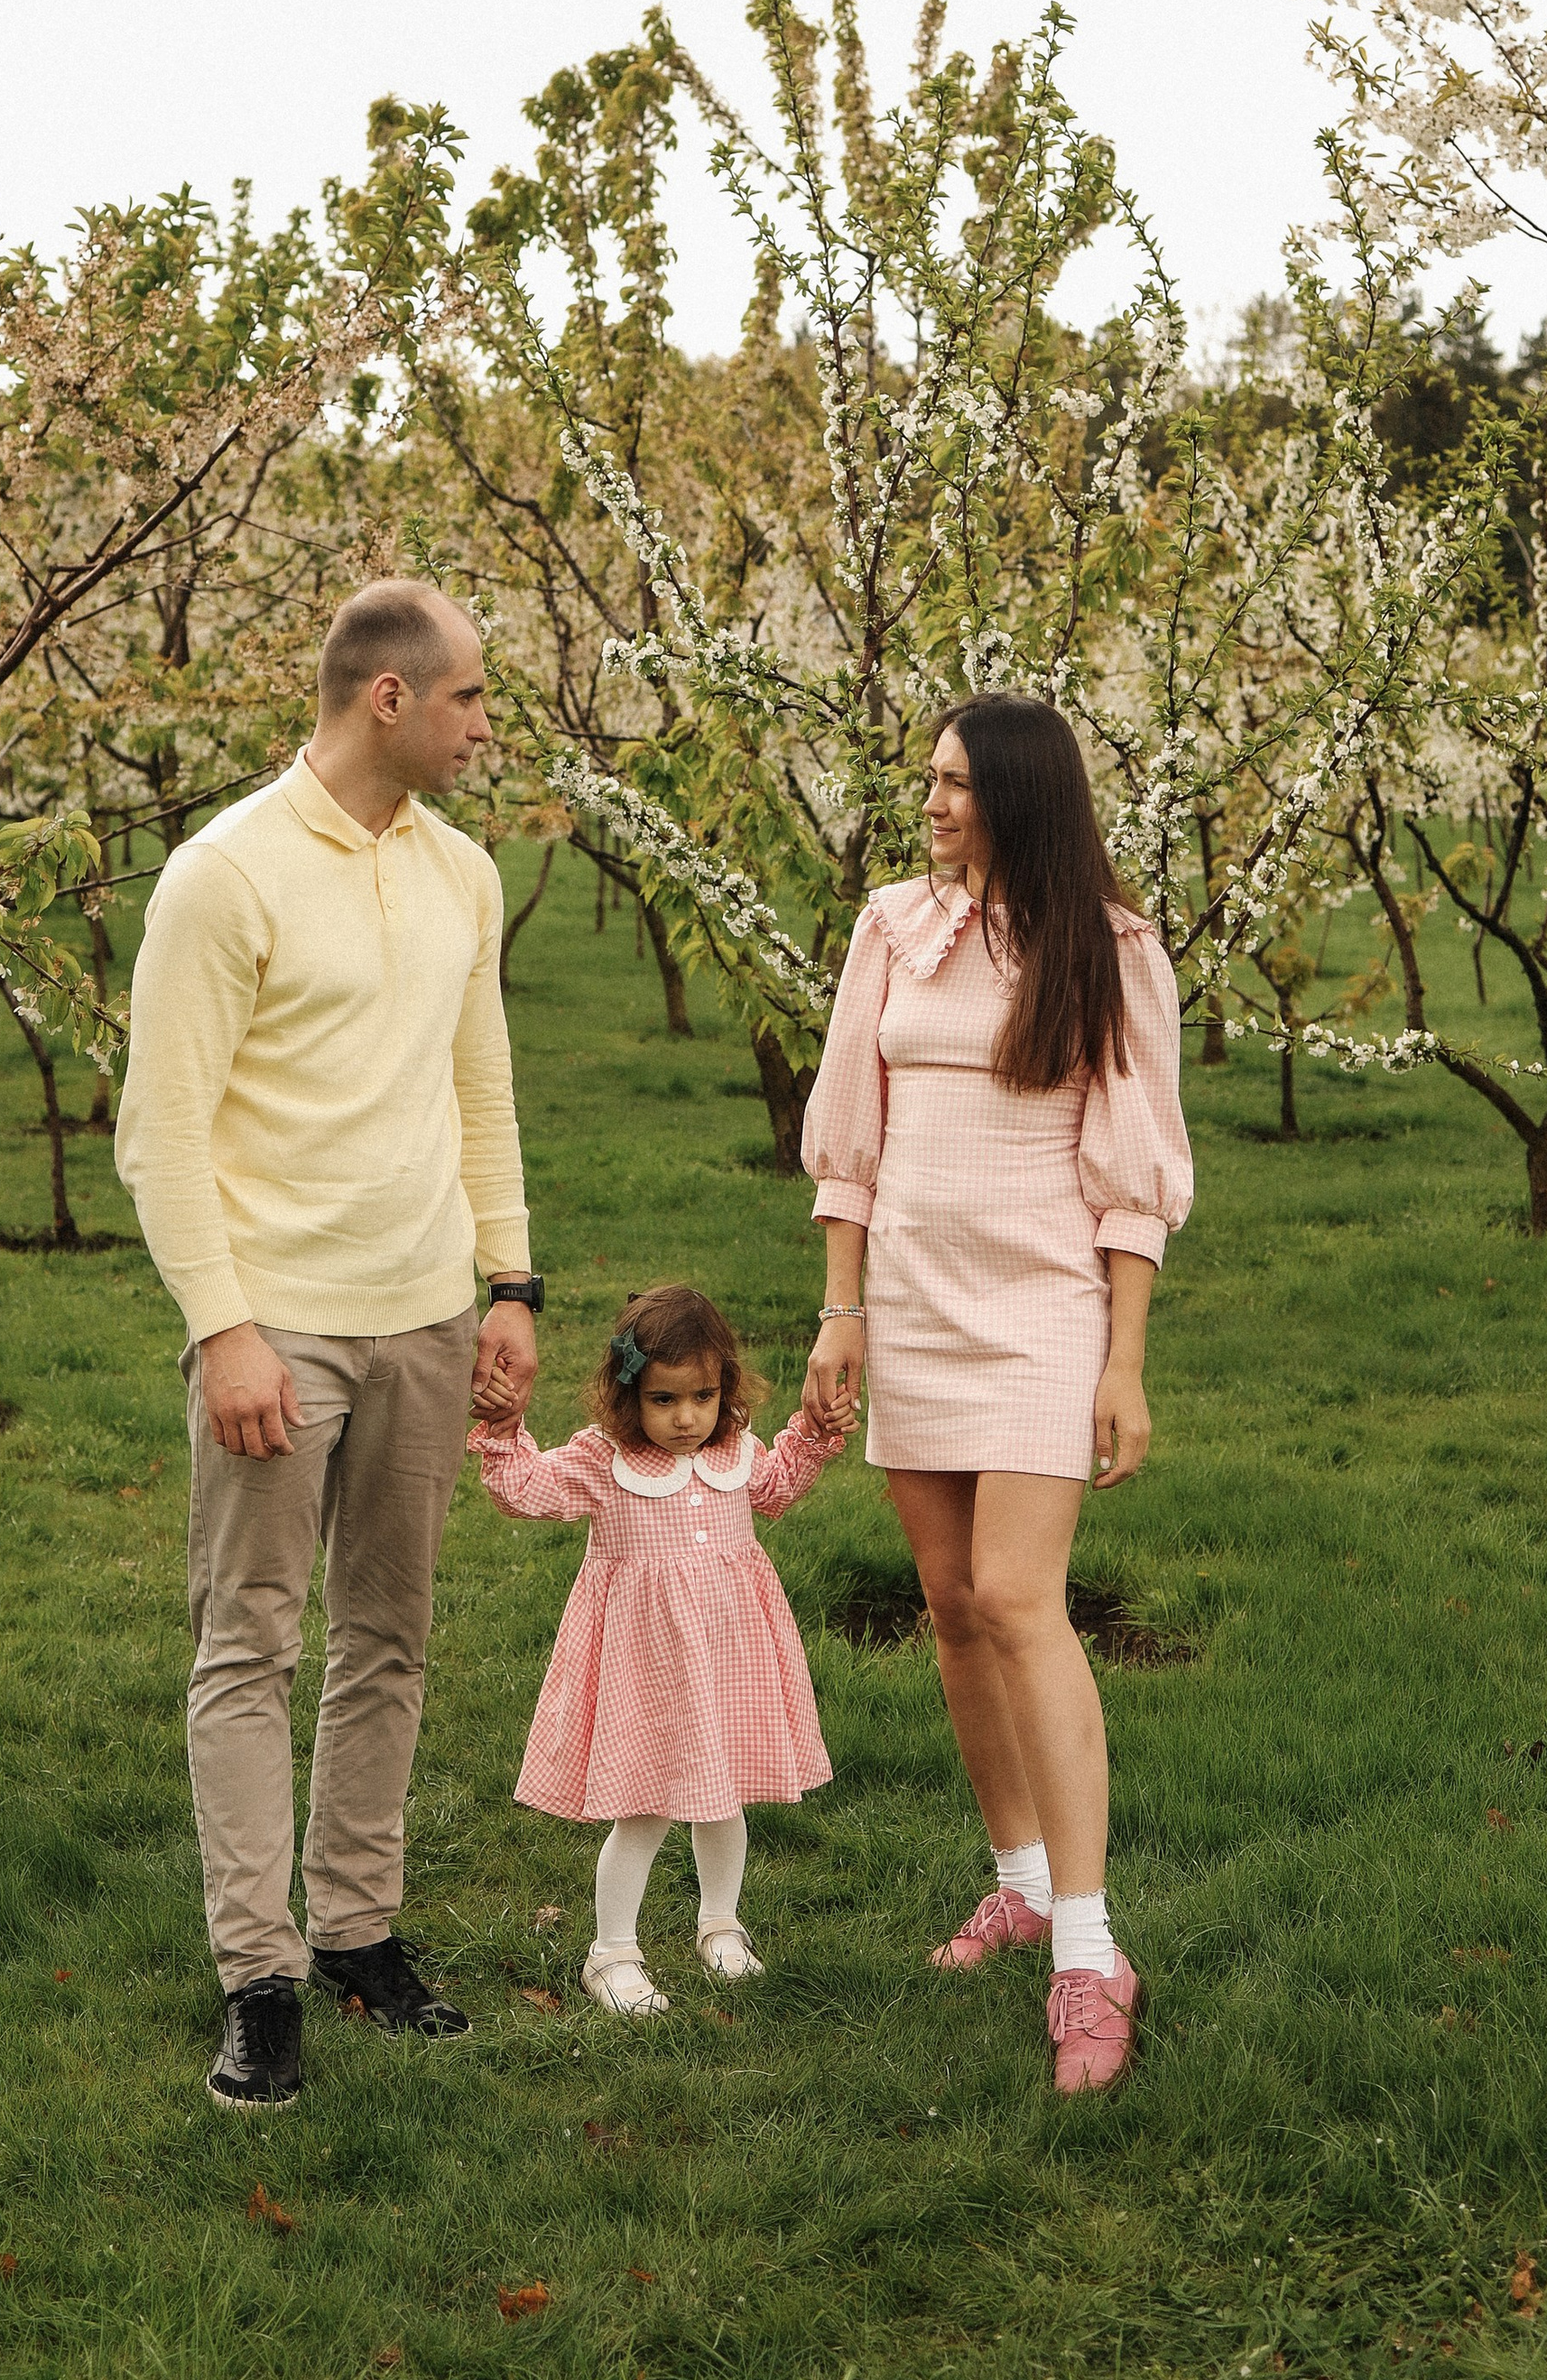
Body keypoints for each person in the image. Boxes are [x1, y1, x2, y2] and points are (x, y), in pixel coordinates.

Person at [116, 579, 544, 2111]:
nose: (486, 725)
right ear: (389, 697)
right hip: (277, 1328)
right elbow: (161, 1134)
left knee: (388, 1637)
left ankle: (359, 1933)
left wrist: (511, 1282)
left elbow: (481, 1084)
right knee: (252, 1645)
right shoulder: (223, 876)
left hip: (427, 1312)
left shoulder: (463, 874)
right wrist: (224, 1330)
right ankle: (261, 1977)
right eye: (470, 697)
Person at [799, 695, 1192, 2095]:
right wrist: (842, 1312)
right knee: (955, 1603)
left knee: (1021, 1598)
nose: (932, 801)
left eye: (959, 782)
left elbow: (1134, 1177)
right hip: (910, 1307)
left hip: (1040, 1314)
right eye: (929, 777)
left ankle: (1089, 1949)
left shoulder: (1111, 950)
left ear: (1022, 796)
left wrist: (1123, 1359)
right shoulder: (890, 927)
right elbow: (851, 1137)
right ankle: (1018, 1880)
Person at [469, 1283, 855, 2017]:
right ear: (628, 1395)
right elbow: (526, 1489)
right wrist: (503, 1428)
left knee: (724, 1794)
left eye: (703, 1396)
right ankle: (612, 1952)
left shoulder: (735, 1451)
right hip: (643, 1670)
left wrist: (813, 1427)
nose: (686, 1417)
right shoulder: (604, 1460)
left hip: (726, 1658)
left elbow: (778, 1485)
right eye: (664, 1399)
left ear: (725, 1388)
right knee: (644, 1810)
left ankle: (720, 1924)